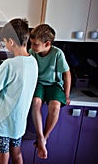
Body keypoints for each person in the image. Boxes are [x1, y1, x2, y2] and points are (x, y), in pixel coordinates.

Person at [0, 18, 38, 164]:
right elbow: (17, 73)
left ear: (11, 41)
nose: (5, 44)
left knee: (2, 155)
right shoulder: (32, 61)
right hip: (18, 121)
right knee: (16, 154)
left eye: (4, 41)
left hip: (3, 123)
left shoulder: (9, 64)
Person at [29, 24, 71, 159]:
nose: (32, 47)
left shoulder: (57, 53)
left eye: (35, 44)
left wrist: (67, 94)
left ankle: (44, 137)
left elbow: (67, 74)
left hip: (54, 84)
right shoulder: (32, 52)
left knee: (55, 106)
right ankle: (40, 136)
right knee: (36, 102)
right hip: (39, 83)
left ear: (47, 44)